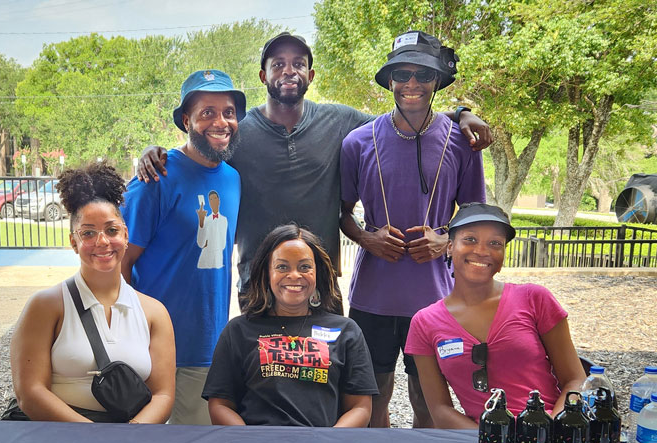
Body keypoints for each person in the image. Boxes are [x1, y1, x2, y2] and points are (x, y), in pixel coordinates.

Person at [136, 33, 493, 296]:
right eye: (278, 64)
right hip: (258, 284)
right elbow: (201, 147)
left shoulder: (340, 121)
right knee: (262, 375)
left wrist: (459, 114)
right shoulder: (239, 131)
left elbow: (404, 121)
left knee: (326, 373)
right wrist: (156, 151)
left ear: (311, 75)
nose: (288, 71)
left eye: (298, 64)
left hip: (319, 282)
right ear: (263, 76)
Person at [340, 31, 486, 429]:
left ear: (437, 80)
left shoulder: (463, 142)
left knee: (429, 402)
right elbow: (341, 212)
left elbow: (475, 216)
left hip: (435, 297)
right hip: (373, 296)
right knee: (372, 401)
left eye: (423, 74)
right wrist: (366, 237)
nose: (412, 84)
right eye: (402, 74)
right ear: (389, 80)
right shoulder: (357, 142)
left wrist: (447, 240)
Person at [9, 162, 175, 423]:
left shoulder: (154, 312)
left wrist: (131, 434)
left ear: (126, 235)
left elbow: (163, 394)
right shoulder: (46, 306)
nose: (102, 241)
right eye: (88, 233)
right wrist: (94, 436)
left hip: (131, 436)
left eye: (112, 230)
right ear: (73, 242)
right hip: (59, 434)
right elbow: (30, 392)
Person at [121, 69, 243, 425]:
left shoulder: (233, 179)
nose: (220, 122)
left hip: (209, 344)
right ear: (186, 121)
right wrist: (130, 334)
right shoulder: (155, 178)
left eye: (228, 112)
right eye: (207, 112)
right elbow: (119, 263)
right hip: (155, 348)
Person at [405, 204, 585, 426]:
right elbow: (440, 409)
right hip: (478, 439)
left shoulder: (534, 298)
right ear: (450, 247)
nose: (482, 251)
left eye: (495, 243)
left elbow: (575, 379)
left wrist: (548, 430)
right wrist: (491, 439)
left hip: (550, 433)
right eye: (470, 239)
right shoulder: (424, 322)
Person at [202, 225, 377, 427]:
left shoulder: (347, 331)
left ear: (317, 272)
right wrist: (251, 441)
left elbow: (360, 407)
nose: (294, 275)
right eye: (282, 267)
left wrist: (329, 440)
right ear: (266, 273)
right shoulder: (238, 331)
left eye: (304, 267)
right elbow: (220, 405)